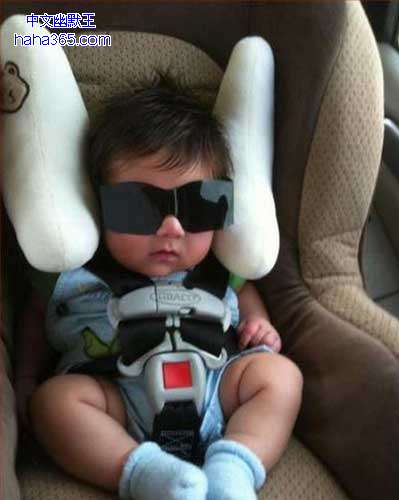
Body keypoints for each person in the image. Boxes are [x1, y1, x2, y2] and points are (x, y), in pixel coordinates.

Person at [29, 75, 303, 500]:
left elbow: (246, 293)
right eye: (140, 207)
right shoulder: (75, 271)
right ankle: (144, 474)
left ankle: (234, 466)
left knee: (280, 377)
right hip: (116, 402)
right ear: (99, 207)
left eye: (196, 207)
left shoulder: (220, 268)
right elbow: (35, 319)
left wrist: (258, 322)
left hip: (218, 389)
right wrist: (25, 380)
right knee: (53, 404)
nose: (172, 228)